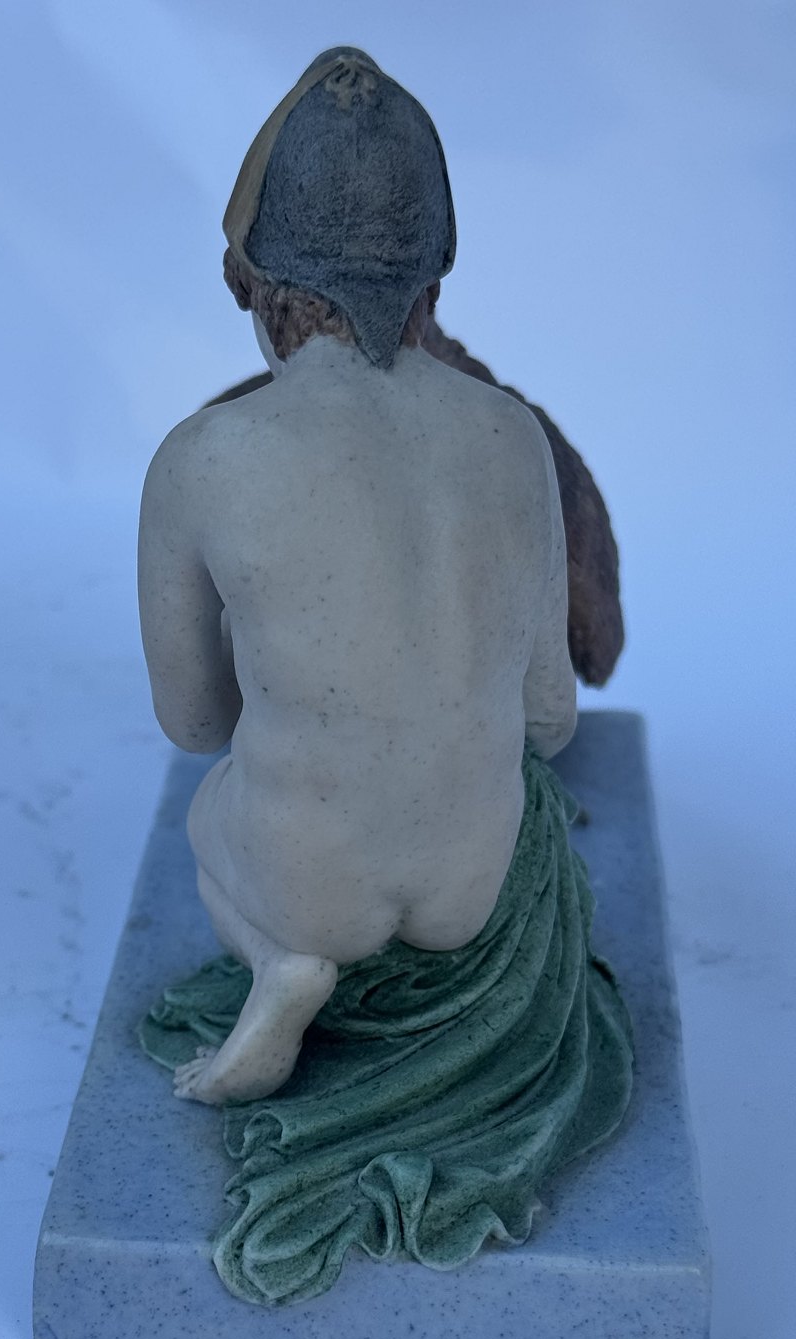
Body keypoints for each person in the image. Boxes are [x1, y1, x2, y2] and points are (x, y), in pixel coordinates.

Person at [138, 50, 577, 1104]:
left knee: (207, 812)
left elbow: (195, 725)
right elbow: (551, 716)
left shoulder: (201, 459)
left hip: (307, 889)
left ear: (248, 282)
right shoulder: (514, 436)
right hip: (470, 889)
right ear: (435, 279)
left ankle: (280, 965)